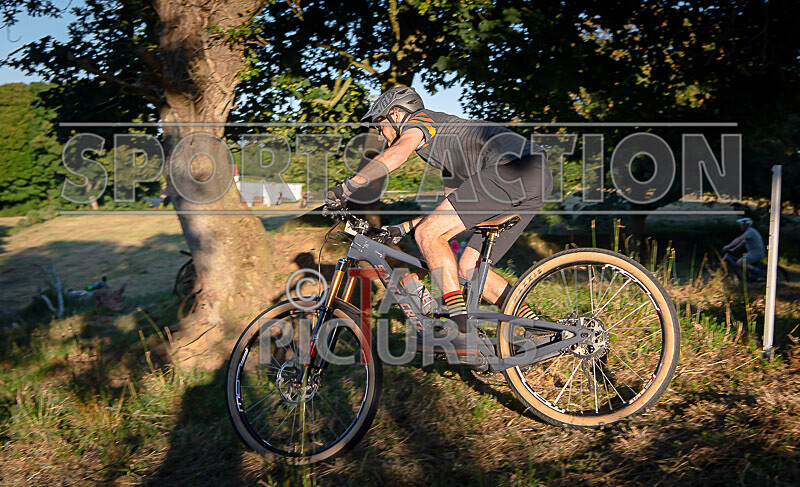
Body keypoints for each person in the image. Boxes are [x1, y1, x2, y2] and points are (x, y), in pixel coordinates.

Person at [326, 87, 552, 356]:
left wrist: (346, 188)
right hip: (534, 177)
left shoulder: (422, 120)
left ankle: (461, 331)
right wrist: (401, 229)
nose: (379, 134)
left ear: (397, 115)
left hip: (514, 170)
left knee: (429, 234)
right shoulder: (449, 154)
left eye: (380, 124)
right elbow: (447, 213)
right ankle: (538, 328)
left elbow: (397, 154)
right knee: (469, 267)